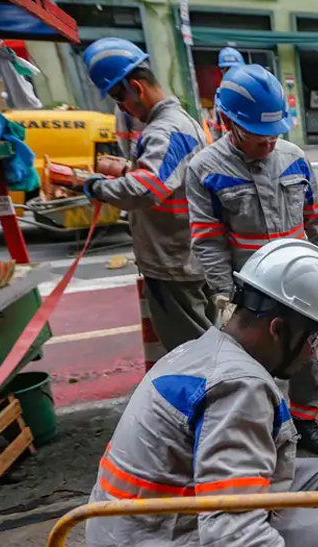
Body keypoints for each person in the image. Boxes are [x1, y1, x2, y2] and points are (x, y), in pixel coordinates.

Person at [84, 239, 318, 547]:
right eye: (312, 338)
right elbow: (232, 541)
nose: (311, 354)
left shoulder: (202, 351)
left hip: (139, 541)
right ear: (277, 329)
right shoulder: (240, 387)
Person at [187, 64, 318, 455]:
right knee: (245, 363)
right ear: (229, 123)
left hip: (298, 284)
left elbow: (317, 221)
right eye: (259, 138)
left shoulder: (294, 159)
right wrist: (224, 298)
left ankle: (305, 420)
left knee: (304, 354)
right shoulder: (205, 170)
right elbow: (208, 242)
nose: (270, 145)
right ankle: (259, 425)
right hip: (246, 291)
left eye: (274, 136)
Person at [81, 38, 215, 351]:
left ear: (136, 88)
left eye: (119, 99)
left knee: (191, 352)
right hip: (185, 254)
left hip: (173, 260)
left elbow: (145, 189)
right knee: (207, 342)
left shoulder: (165, 130)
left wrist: (97, 188)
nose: (121, 108)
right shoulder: (182, 123)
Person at [206, 48, 246, 142]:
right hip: (230, 146)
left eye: (232, 69)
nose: (230, 73)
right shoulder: (220, 96)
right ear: (222, 71)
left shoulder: (252, 91)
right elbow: (216, 128)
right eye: (226, 70)